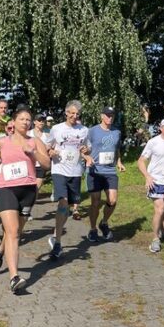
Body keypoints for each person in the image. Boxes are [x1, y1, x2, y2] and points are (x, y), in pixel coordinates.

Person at [0, 108, 51, 293]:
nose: (25, 122)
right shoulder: (3, 141)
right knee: (13, 232)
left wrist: (33, 154)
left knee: (16, 231)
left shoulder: (35, 141)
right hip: (6, 189)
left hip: (28, 190)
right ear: (13, 122)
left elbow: (46, 165)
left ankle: (0, 250)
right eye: (21, 119)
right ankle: (14, 277)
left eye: (28, 119)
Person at [45, 100, 90, 260]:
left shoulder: (84, 130)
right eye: (71, 113)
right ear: (66, 112)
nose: (74, 116)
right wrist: (50, 152)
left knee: (67, 208)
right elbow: (47, 146)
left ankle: (55, 235)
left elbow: (86, 147)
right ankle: (57, 242)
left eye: (77, 114)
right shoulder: (57, 129)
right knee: (63, 202)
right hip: (59, 170)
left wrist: (86, 150)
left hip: (76, 171)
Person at [137, 118, 164, 252]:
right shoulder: (153, 142)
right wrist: (147, 177)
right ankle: (155, 239)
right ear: (160, 128)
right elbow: (141, 161)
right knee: (160, 208)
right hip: (156, 181)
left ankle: (163, 230)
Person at [86, 107, 125, 243]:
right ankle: (92, 229)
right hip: (95, 171)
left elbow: (117, 149)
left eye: (112, 115)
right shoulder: (92, 131)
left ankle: (104, 222)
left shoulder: (117, 132)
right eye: (107, 115)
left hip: (110, 171)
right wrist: (87, 158)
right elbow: (83, 148)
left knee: (112, 200)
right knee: (95, 202)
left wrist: (119, 161)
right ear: (102, 116)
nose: (110, 117)